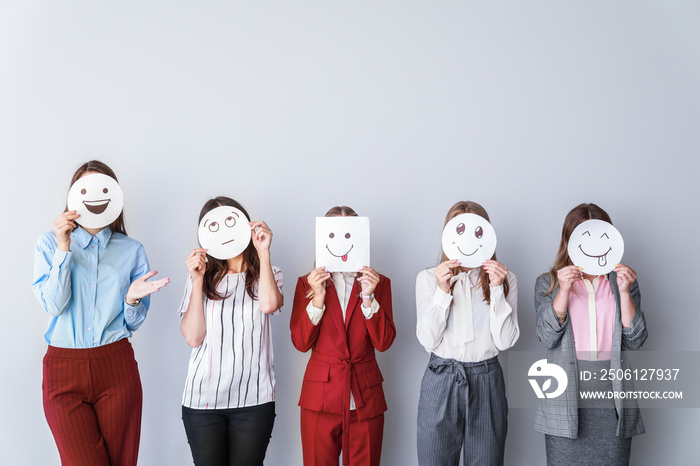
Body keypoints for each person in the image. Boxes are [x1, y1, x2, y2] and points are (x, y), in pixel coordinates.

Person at [33, 160, 169, 466]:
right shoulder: (49, 244)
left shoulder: (131, 250)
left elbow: (132, 323)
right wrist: (63, 247)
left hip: (116, 366)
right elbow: (54, 305)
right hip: (63, 370)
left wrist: (132, 301)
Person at [534, 203, 647, 466]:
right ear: (569, 240)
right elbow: (546, 338)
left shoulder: (622, 281)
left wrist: (625, 292)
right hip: (564, 397)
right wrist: (563, 291)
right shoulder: (548, 282)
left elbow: (636, 339)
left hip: (613, 397)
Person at [178, 196, 283, 466]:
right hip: (203, 400)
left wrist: (263, 251)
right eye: (214, 227)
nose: (224, 232)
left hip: (255, 398)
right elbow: (193, 337)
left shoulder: (269, 272)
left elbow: (270, 305)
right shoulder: (200, 278)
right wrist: (198, 280)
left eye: (229, 223)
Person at [290, 206, 396, 466]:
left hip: (366, 396)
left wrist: (369, 297)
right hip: (320, 397)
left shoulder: (380, 283)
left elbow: (383, 343)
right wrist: (317, 297)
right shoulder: (307, 283)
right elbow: (301, 343)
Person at [415, 201, 518, 466]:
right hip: (441, 377)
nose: (468, 239)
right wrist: (442, 290)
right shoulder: (428, 278)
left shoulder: (507, 280)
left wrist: (497, 289)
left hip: (486, 377)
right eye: (459, 230)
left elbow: (505, 341)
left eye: (477, 232)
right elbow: (428, 340)